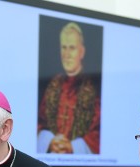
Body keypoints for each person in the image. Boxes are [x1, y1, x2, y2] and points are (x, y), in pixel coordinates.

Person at [37, 22, 101, 154]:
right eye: (63, 47)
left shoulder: (95, 88)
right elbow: (39, 122)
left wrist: (73, 147)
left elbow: (99, 133)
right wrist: (50, 141)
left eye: (72, 48)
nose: (66, 54)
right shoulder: (52, 85)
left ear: (82, 52)